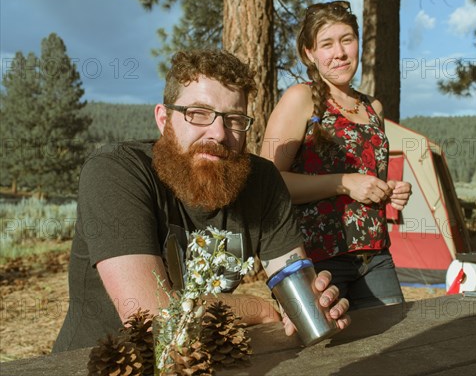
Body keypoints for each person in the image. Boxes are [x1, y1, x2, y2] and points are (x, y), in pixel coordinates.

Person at [53, 49, 350, 352]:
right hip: (101, 362)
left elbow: (292, 276)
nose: (219, 133)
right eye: (198, 113)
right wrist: (255, 308)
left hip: (204, 361)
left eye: (234, 119)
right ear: (163, 119)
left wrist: (312, 303)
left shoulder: (262, 181)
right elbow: (154, 320)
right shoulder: (116, 171)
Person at [260, 1, 411, 310]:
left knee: (396, 350)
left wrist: (387, 190)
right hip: (317, 260)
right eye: (327, 44)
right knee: (328, 356)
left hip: (377, 256)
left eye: (347, 40)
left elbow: (364, 183)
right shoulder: (300, 99)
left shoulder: (374, 108)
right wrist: (344, 183)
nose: (340, 52)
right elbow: (267, 184)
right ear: (309, 53)